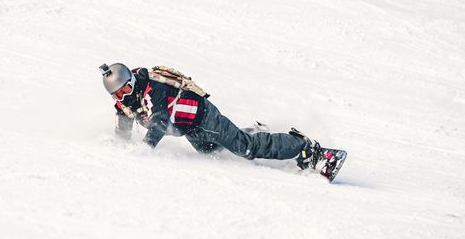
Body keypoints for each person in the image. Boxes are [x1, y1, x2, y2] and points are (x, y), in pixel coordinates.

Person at [99, 63, 328, 172]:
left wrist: (145, 148)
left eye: (124, 91)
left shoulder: (152, 88)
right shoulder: (125, 104)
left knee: (244, 148)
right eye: (116, 94)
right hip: (189, 128)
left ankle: (307, 148)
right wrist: (120, 146)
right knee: (215, 152)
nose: (122, 97)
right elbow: (123, 127)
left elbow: (159, 122)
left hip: (203, 116)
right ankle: (257, 132)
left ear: (131, 82)